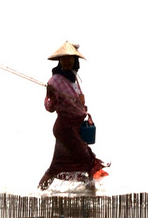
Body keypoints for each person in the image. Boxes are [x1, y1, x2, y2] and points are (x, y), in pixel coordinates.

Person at [38, 42, 108, 191]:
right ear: (60, 61)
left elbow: (79, 103)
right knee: (88, 159)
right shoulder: (55, 80)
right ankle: (92, 193)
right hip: (65, 129)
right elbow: (49, 107)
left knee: (55, 166)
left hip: (73, 129)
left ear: (75, 60)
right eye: (64, 58)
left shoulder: (74, 79)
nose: (67, 61)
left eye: (70, 58)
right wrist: (50, 94)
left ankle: (38, 193)